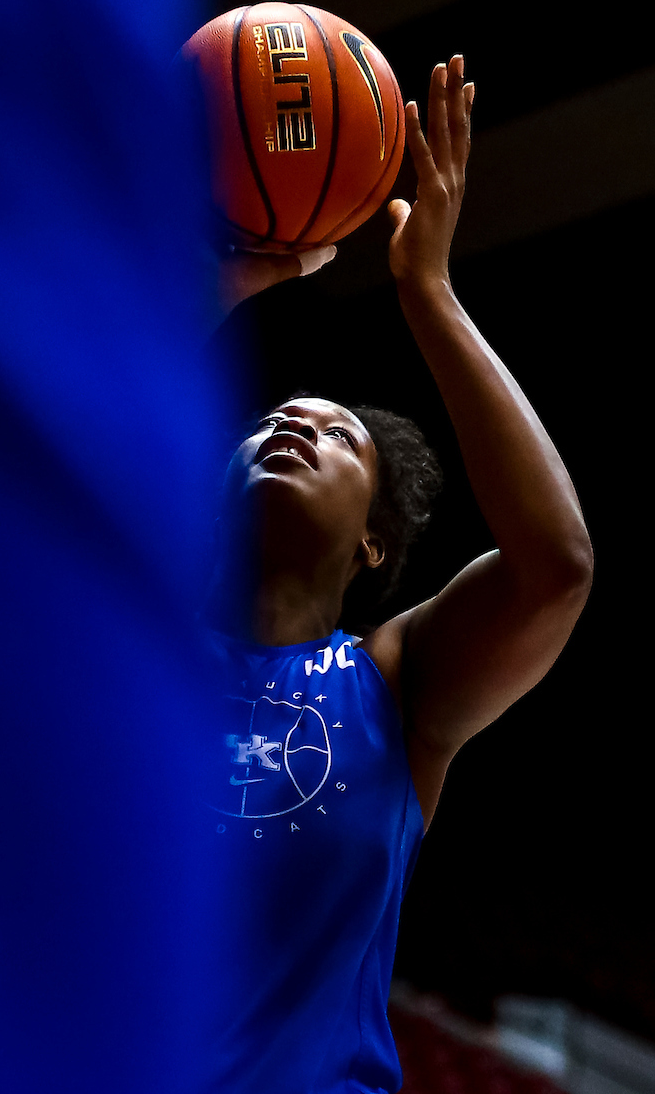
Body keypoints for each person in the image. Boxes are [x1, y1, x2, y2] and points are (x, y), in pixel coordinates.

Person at [201, 56, 594, 1093]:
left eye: (335, 435)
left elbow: (554, 568)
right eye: (270, 421)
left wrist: (428, 292)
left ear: (374, 541)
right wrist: (216, 282)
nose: (292, 421)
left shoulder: (395, 678)